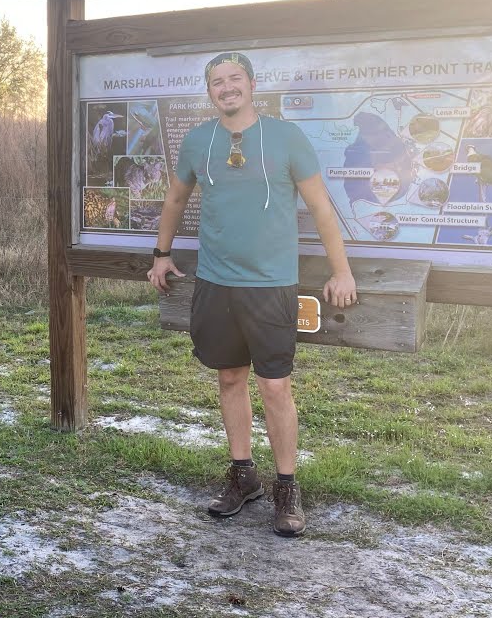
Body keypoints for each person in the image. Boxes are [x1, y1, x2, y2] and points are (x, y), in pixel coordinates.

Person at [147, 51, 356, 537]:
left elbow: (322, 207)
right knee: (229, 380)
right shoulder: (199, 141)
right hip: (217, 282)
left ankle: (286, 486)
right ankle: (243, 476)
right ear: (209, 92)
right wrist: (160, 253)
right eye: (216, 82)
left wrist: (340, 271)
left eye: (234, 78)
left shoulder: (286, 138)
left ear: (252, 85)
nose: (226, 88)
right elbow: (176, 198)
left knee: (275, 386)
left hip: (271, 284)